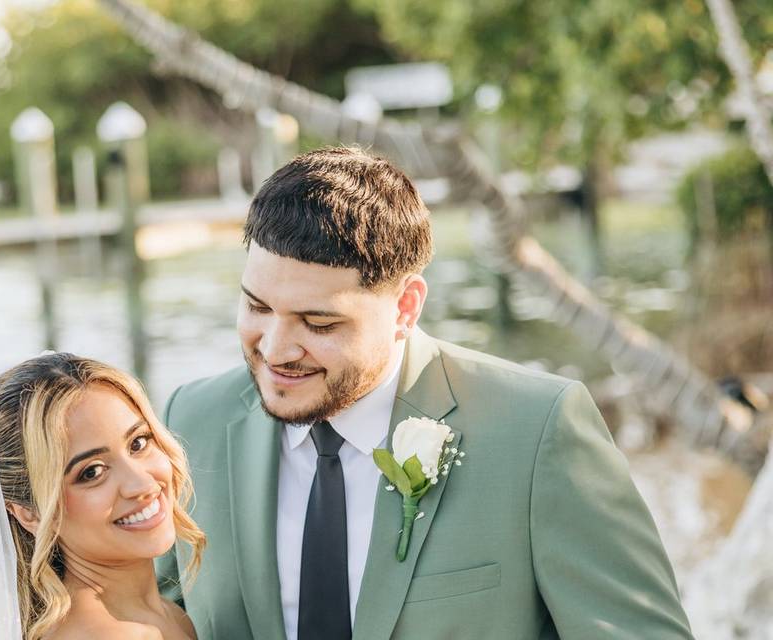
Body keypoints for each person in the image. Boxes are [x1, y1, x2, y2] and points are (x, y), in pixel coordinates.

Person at [156, 147, 694, 639]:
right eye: (256, 306)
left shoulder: (537, 431)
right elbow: (148, 613)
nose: (275, 349)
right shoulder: (191, 420)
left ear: (406, 307)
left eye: (317, 323)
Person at [0, 353, 204, 640]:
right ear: (29, 513)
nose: (141, 483)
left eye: (138, 443)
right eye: (91, 472)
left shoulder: (166, 615)